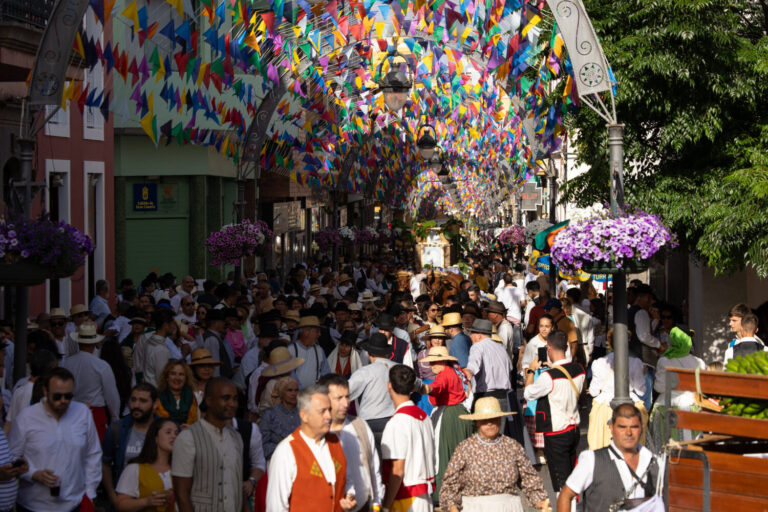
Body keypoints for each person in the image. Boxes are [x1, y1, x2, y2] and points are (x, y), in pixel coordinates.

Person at [10, 367, 102, 512]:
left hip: (74, 504)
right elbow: (12, 458)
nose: (63, 401)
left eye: (68, 396)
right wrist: (34, 474)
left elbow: (93, 454)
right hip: (33, 506)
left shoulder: (82, 413)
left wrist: (90, 492)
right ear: (46, 391)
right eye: (57, 396)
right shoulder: (26, 418)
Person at [439, 397, 549, 512]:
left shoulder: (512, 446)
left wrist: (541, 502)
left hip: (509, 508)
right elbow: (450, 485)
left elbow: (529, 479)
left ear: (500, 419)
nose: (490, 423)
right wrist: (452, 507)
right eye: (484, 420)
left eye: (494, 419)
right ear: (476, 422)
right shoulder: (465, 448)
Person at [266, 384, 358, 511]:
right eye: (322, 411)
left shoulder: (336, 442)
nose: (329, 416)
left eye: (329, 410)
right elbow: (276, 507)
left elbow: (347, 480)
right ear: (304, 416)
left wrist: (349, 497)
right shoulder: (286, 451)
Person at [557, 404, 659, 512]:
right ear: (611, 427)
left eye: (634, 427)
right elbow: (565, 496)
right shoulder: (591, 460)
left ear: (642, 427)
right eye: (622, 427)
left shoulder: (654, 462)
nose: (628, 433)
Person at [523, 330, 585, 492]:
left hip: (556, 433)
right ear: (565, 347)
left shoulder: (548, 376)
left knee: (561, 483)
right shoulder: (579, 369)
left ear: (548, 348)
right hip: (573, 429)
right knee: (571, 476)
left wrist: (530, 371)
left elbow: (528, 393)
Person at [172, 377, 243, 512]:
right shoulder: (188, 438)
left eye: (235, 399)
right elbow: (181, 494)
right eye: (226, 398)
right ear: (209, 400)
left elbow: (237, 484)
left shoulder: (236, 437)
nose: (232, 403)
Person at [318, 373, 385, 512]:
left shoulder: (360, 426)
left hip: (363, 507)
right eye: (339, 398)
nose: (346, 403)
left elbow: (374, 469)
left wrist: (376, 504)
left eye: (347, 396)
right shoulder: (315, 433)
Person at [418, 347, 472, 498]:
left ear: (443, 360)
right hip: (458, 413)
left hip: (450, 417)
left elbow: (436, 387)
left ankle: (447, 494)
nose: (431, 365)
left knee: (444, 453)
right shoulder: (453, 370)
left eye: (435, 362)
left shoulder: (445, 375)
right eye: (431, 362)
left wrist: (421, 387)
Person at [380, 364, 435, 512]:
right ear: (412, 388)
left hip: (406, 499)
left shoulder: (396, 423)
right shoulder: (425, 418)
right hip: (425, 497)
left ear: (389, 386)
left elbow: (397, 470)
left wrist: (386, 506)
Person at [61, 322, 121, 440]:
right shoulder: (101, 366)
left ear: (78, 341)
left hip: (71, 412)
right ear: (95, 342)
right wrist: (115, 417)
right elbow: (111, 395)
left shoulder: (66, 363)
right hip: (95, 415)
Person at [103, 383, 159, 509]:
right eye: (133, 400)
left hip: (156, 503)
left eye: (143, 401)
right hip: (125, 503)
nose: (136, 405)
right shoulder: (117, 429)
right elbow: (105, 463)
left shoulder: (165, 429)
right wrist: (113, 496)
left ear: (155, 404)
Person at [649, 327, 706, 449]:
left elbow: (659, 387)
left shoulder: (664, 360)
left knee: (663, 450)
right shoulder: (699, 362)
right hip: (691, 406)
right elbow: (702, 387)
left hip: (666, 406)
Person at [114, 418, 179, 511]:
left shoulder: (182, 469)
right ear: (155, 437)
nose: (174, 436)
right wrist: (146, 501)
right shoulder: (135, 468)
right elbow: (120, 504)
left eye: (176, 433)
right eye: (168, 432)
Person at [588, 351, 647, 450]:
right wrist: (642, 374)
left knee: (603, 447)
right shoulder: (635, 362)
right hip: (630, 405)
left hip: (604, 408)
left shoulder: (599, 363)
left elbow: (594, 392)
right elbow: (641, 391)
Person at [348, 333, 398, 450]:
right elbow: (417, 385)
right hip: (393, 422)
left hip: (368, 423)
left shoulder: (364, 372)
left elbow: (345, 392)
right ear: (386, 352)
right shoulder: (399, 368)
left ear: (369, 353)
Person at [260, 377, 301, 460]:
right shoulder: (269, 414)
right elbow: (263, 445)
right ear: (282, 392)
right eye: (289, 390)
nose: (294, 393)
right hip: (277, 461)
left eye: (296, 390)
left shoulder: (304, 413)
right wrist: (286, 450)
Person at [288, 316, 331, 389]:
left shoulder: (319, 350)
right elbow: (290, 374)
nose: (319, 334)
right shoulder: (290, 350)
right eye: (317, 331)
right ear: (306, 332)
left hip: (315, 394)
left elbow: (326, 372)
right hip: (296, 394)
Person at [154, 361, 199, 427]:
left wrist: (190, 429)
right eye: (173, 373)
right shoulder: (156, 398)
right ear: (167, 377)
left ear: (186, 378)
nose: (177, 378)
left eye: (181, 374)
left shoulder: (196, 397)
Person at [139, 309, 174, 387]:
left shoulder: (148, 342)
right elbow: (162, 379)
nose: (174, 326)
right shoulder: (161, 350)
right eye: (172, 323)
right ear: (165, 324)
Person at [197, 309, 235, 379]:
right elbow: (215, 367)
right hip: (219, 382)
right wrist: (216, 383)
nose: (224, 325)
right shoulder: (212, 339)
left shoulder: (211, 337)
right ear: (216, 323)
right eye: (223, 322)